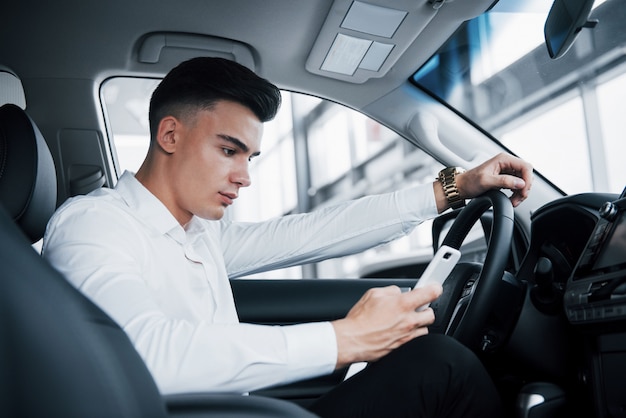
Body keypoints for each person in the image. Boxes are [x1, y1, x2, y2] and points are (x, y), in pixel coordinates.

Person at [43, 57, 533, 417]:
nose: (244, 176)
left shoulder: (199, 233)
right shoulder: (93, 224)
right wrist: (347, 338)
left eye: (250, 158)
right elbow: (144, 357)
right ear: (170, 136)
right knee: (443, 365)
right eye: (229, 150)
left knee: (430, 359)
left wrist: (454, 188)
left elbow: (312, 232)